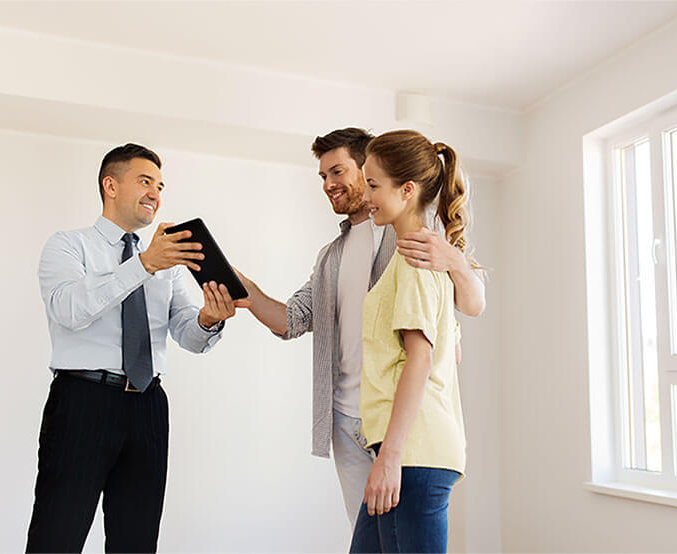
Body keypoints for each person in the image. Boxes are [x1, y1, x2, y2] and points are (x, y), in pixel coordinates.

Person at [235, 128, 485, 528]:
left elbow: (472, 304)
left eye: (338, 172)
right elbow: (294, 320)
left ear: (367, 168)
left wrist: (455, 261)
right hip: (345, 419)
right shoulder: (331, 256)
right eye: (322, 177)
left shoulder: (409, 235)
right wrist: (249, 293)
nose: (329, 184)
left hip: (396, 420)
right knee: (367, 534)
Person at [26, 143, 248, 553]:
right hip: (82, 402)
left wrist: (210, 319)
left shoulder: (164, 260)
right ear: (110, 185)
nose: (155, 194)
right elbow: (70, 311)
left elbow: (187, 333)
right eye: (145, 181)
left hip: (147, 405)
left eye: (160, 186)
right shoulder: (69, 246)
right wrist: (143, 264)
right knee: (57, 536)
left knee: (137, 541)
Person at [349, 130, 477, 553]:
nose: (364, 194)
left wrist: (391, 456)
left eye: (372, 184)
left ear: (406, 190)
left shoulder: (417, 261)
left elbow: (419, 361)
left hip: (412, 455)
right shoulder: (416, 256)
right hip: (405, 452)